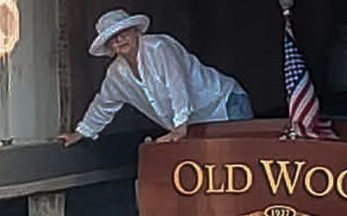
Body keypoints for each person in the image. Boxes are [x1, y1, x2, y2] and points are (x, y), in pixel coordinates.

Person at [58, 9, 253, 146]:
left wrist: (179, 127)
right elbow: (103, 104)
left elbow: (177, 84)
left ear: (135, 32)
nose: (119, 40)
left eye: (123, 32)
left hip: (224, 104)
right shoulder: (116, 74)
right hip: (193, 125)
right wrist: (80, 133)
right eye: (112, 39)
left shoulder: (159, 47)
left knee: (241, 162)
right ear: (109, 48)